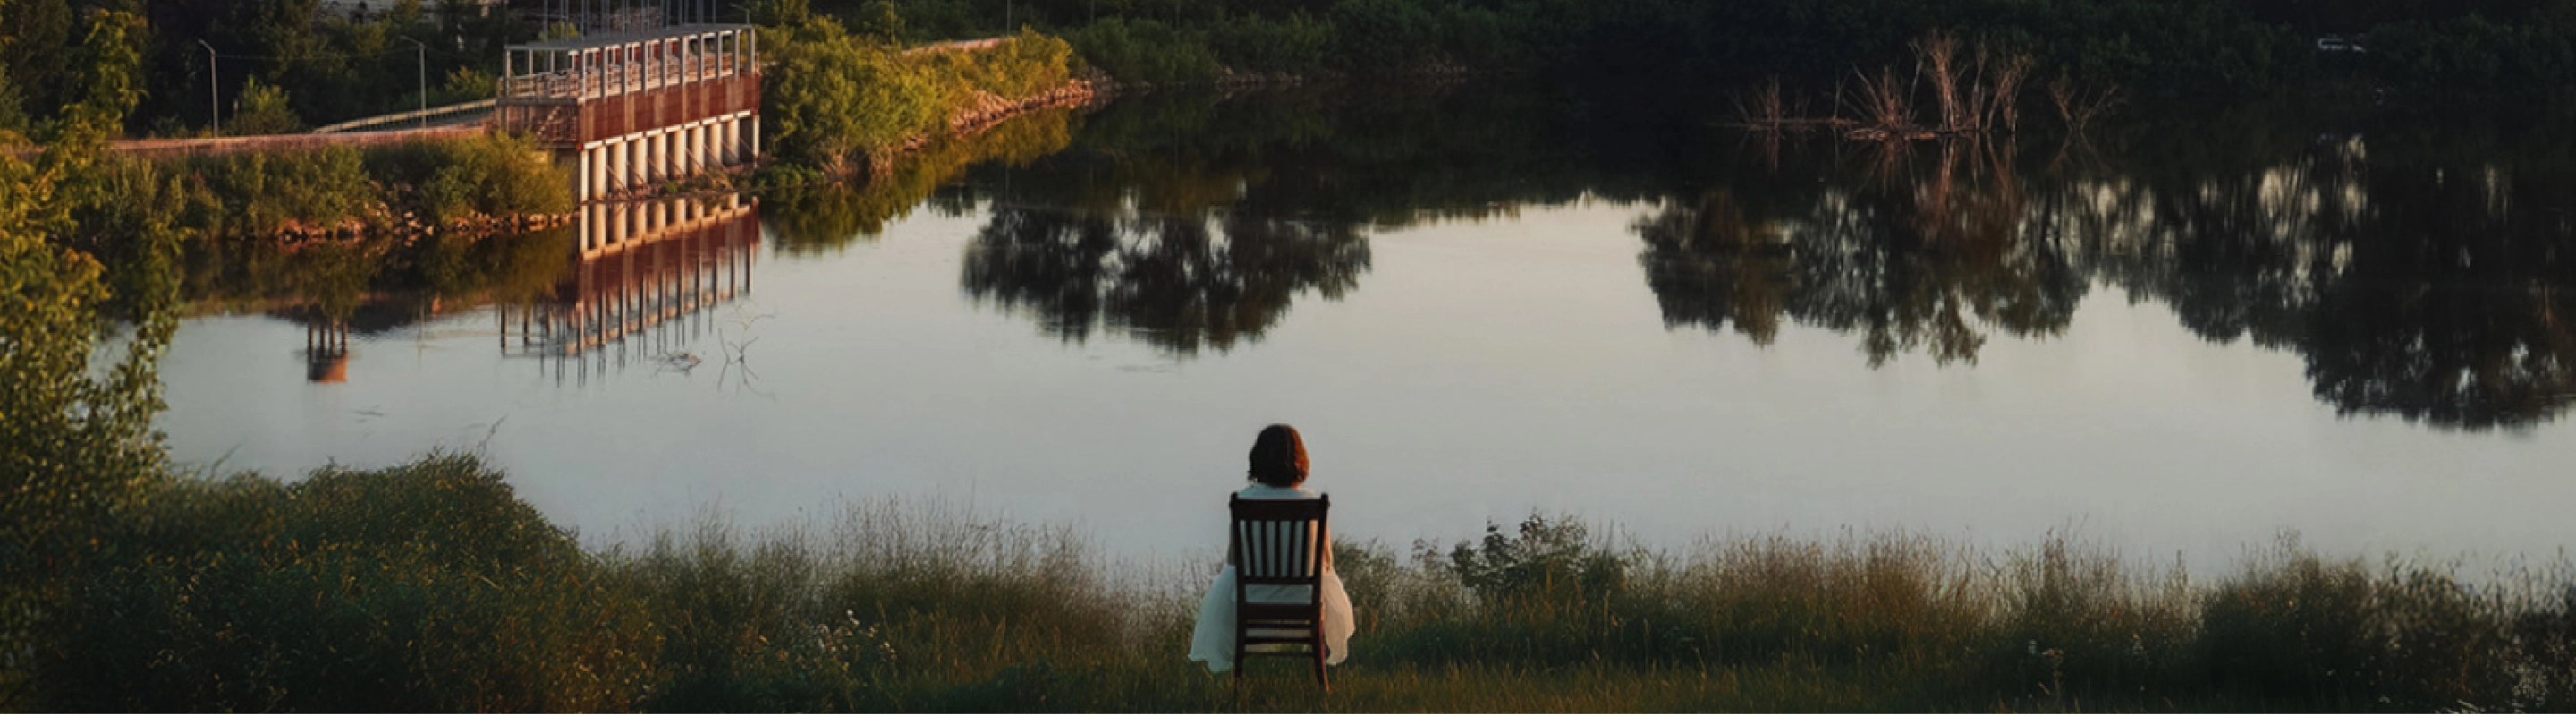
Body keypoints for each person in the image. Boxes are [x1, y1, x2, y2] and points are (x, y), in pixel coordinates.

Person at [1186, 424, 1355, 673]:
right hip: (1303, 600)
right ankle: (1320, 678)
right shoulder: (1313, 505)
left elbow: (1233, 561)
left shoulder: (1242, 502)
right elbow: (1326, 564)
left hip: (1252, 599)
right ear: (1301, 461)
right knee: (1328, 582)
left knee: (1225, 585)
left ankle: (1237, 676)